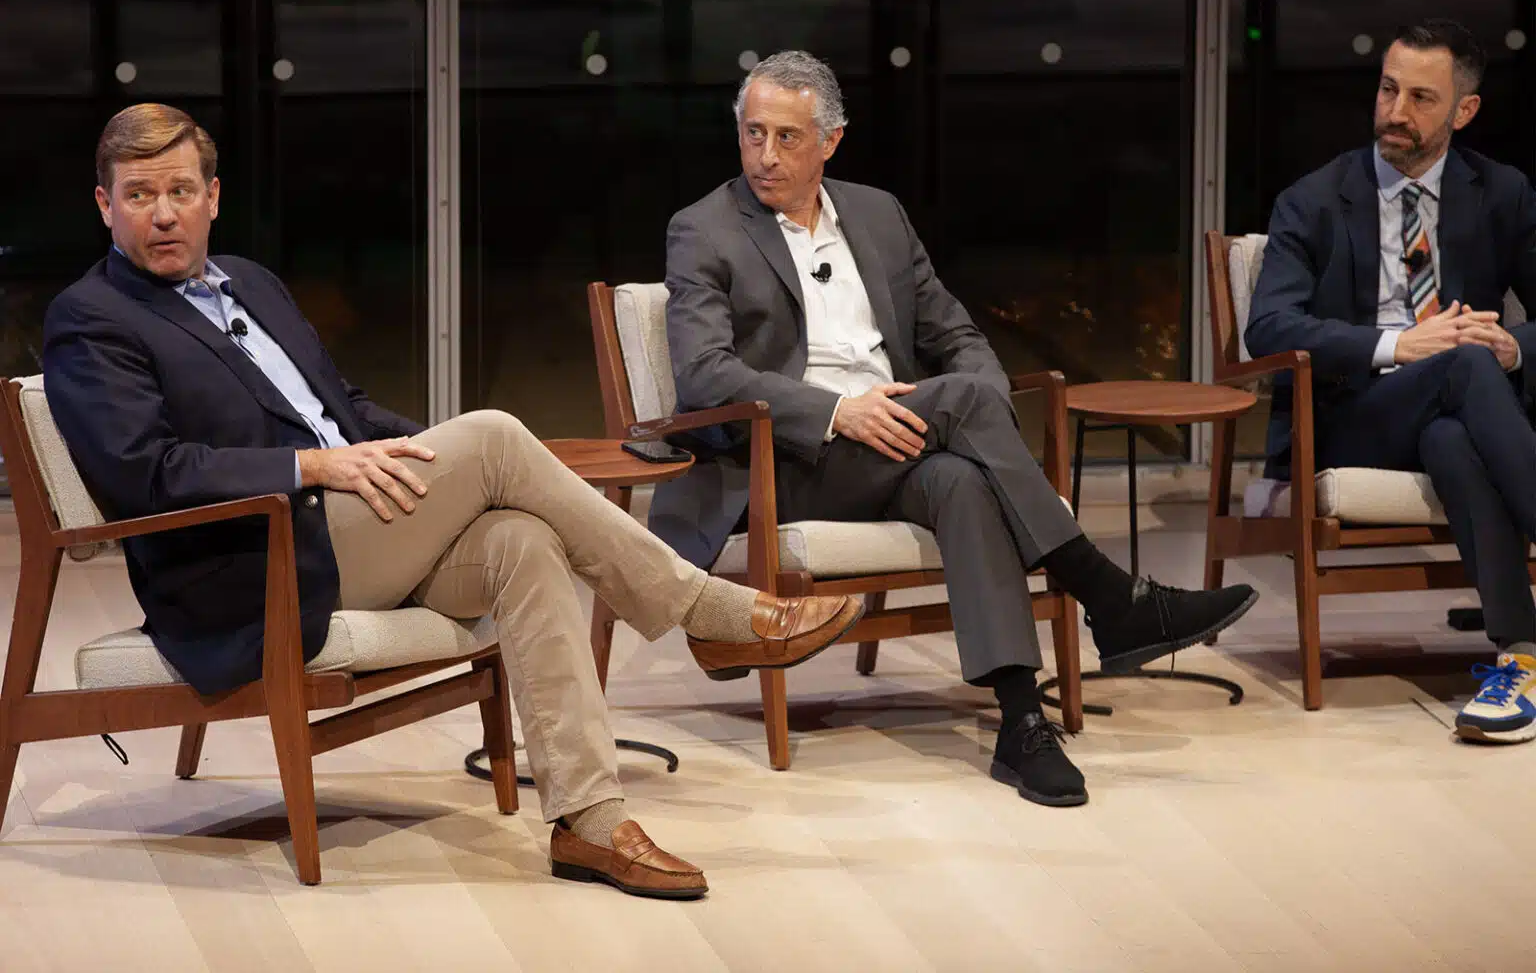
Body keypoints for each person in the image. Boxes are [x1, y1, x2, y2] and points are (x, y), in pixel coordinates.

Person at [42, 103, 865, 898]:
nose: (162, 214)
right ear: (105, 205)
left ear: (213, 196)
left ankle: (590, 819)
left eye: (180, 190)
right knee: (498, 437)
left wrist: (431, 458)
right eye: (139, 195)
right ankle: (706, 611)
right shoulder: (91, 318)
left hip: (354, 529)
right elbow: (145, 472)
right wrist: (314, 467)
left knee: (521, 538)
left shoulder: (251, 284)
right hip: (260, 560)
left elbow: (347, 408)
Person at [653, 51, 1259, 808]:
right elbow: (705, 373)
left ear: (831, 140)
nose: (765, 155)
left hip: (901, 447)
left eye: (786, 137)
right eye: (753, 133)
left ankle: (1021, 724)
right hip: (789, 461)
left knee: (963, 477)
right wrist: (840, 410)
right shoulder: (705, 229)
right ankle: (1111, 597)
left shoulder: (878, 215)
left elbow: (959, 337)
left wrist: (966, 410)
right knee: (965, 408)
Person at [1246, 19, 1536, 745]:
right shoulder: (1313, 199)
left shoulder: (1502, 192)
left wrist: (1513, 346)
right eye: (1387, 89)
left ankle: (1522, 657)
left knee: (1453, 430)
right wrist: (1398, 344)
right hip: (1351, 417)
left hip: (1462, 413)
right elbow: (1270, 327)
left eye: (1421, 98)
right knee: (1459, 360)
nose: (1395, 111)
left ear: (1464, 111)